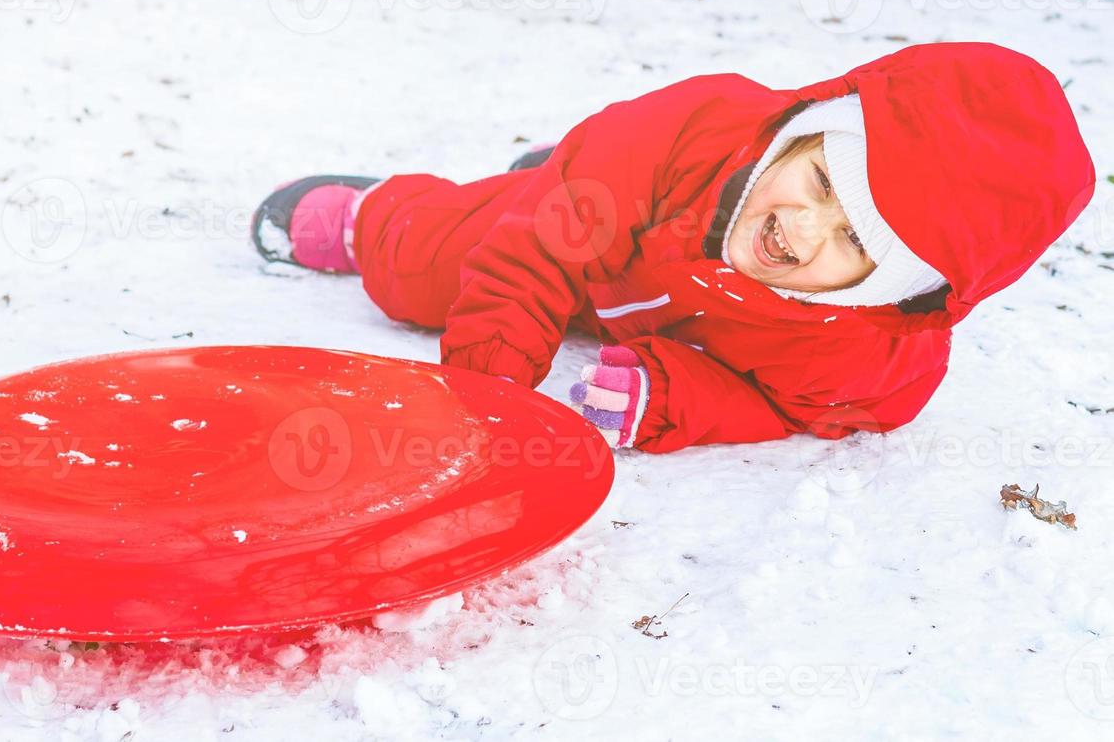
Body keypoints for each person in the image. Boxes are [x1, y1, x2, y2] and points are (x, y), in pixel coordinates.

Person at [250, 43, 1096, 453]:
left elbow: (799, 408)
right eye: (828, 186)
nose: (802, 228)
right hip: (603, 221)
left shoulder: (861, 353)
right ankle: (382, 217)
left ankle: (554, 176)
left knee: (593, 230)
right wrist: (491, 386)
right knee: (438, 265)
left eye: (856, 244)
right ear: (802, 134)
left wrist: (674, 395)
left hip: (691, 314)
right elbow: (529, 261)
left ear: (897, 292)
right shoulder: (690, 129)